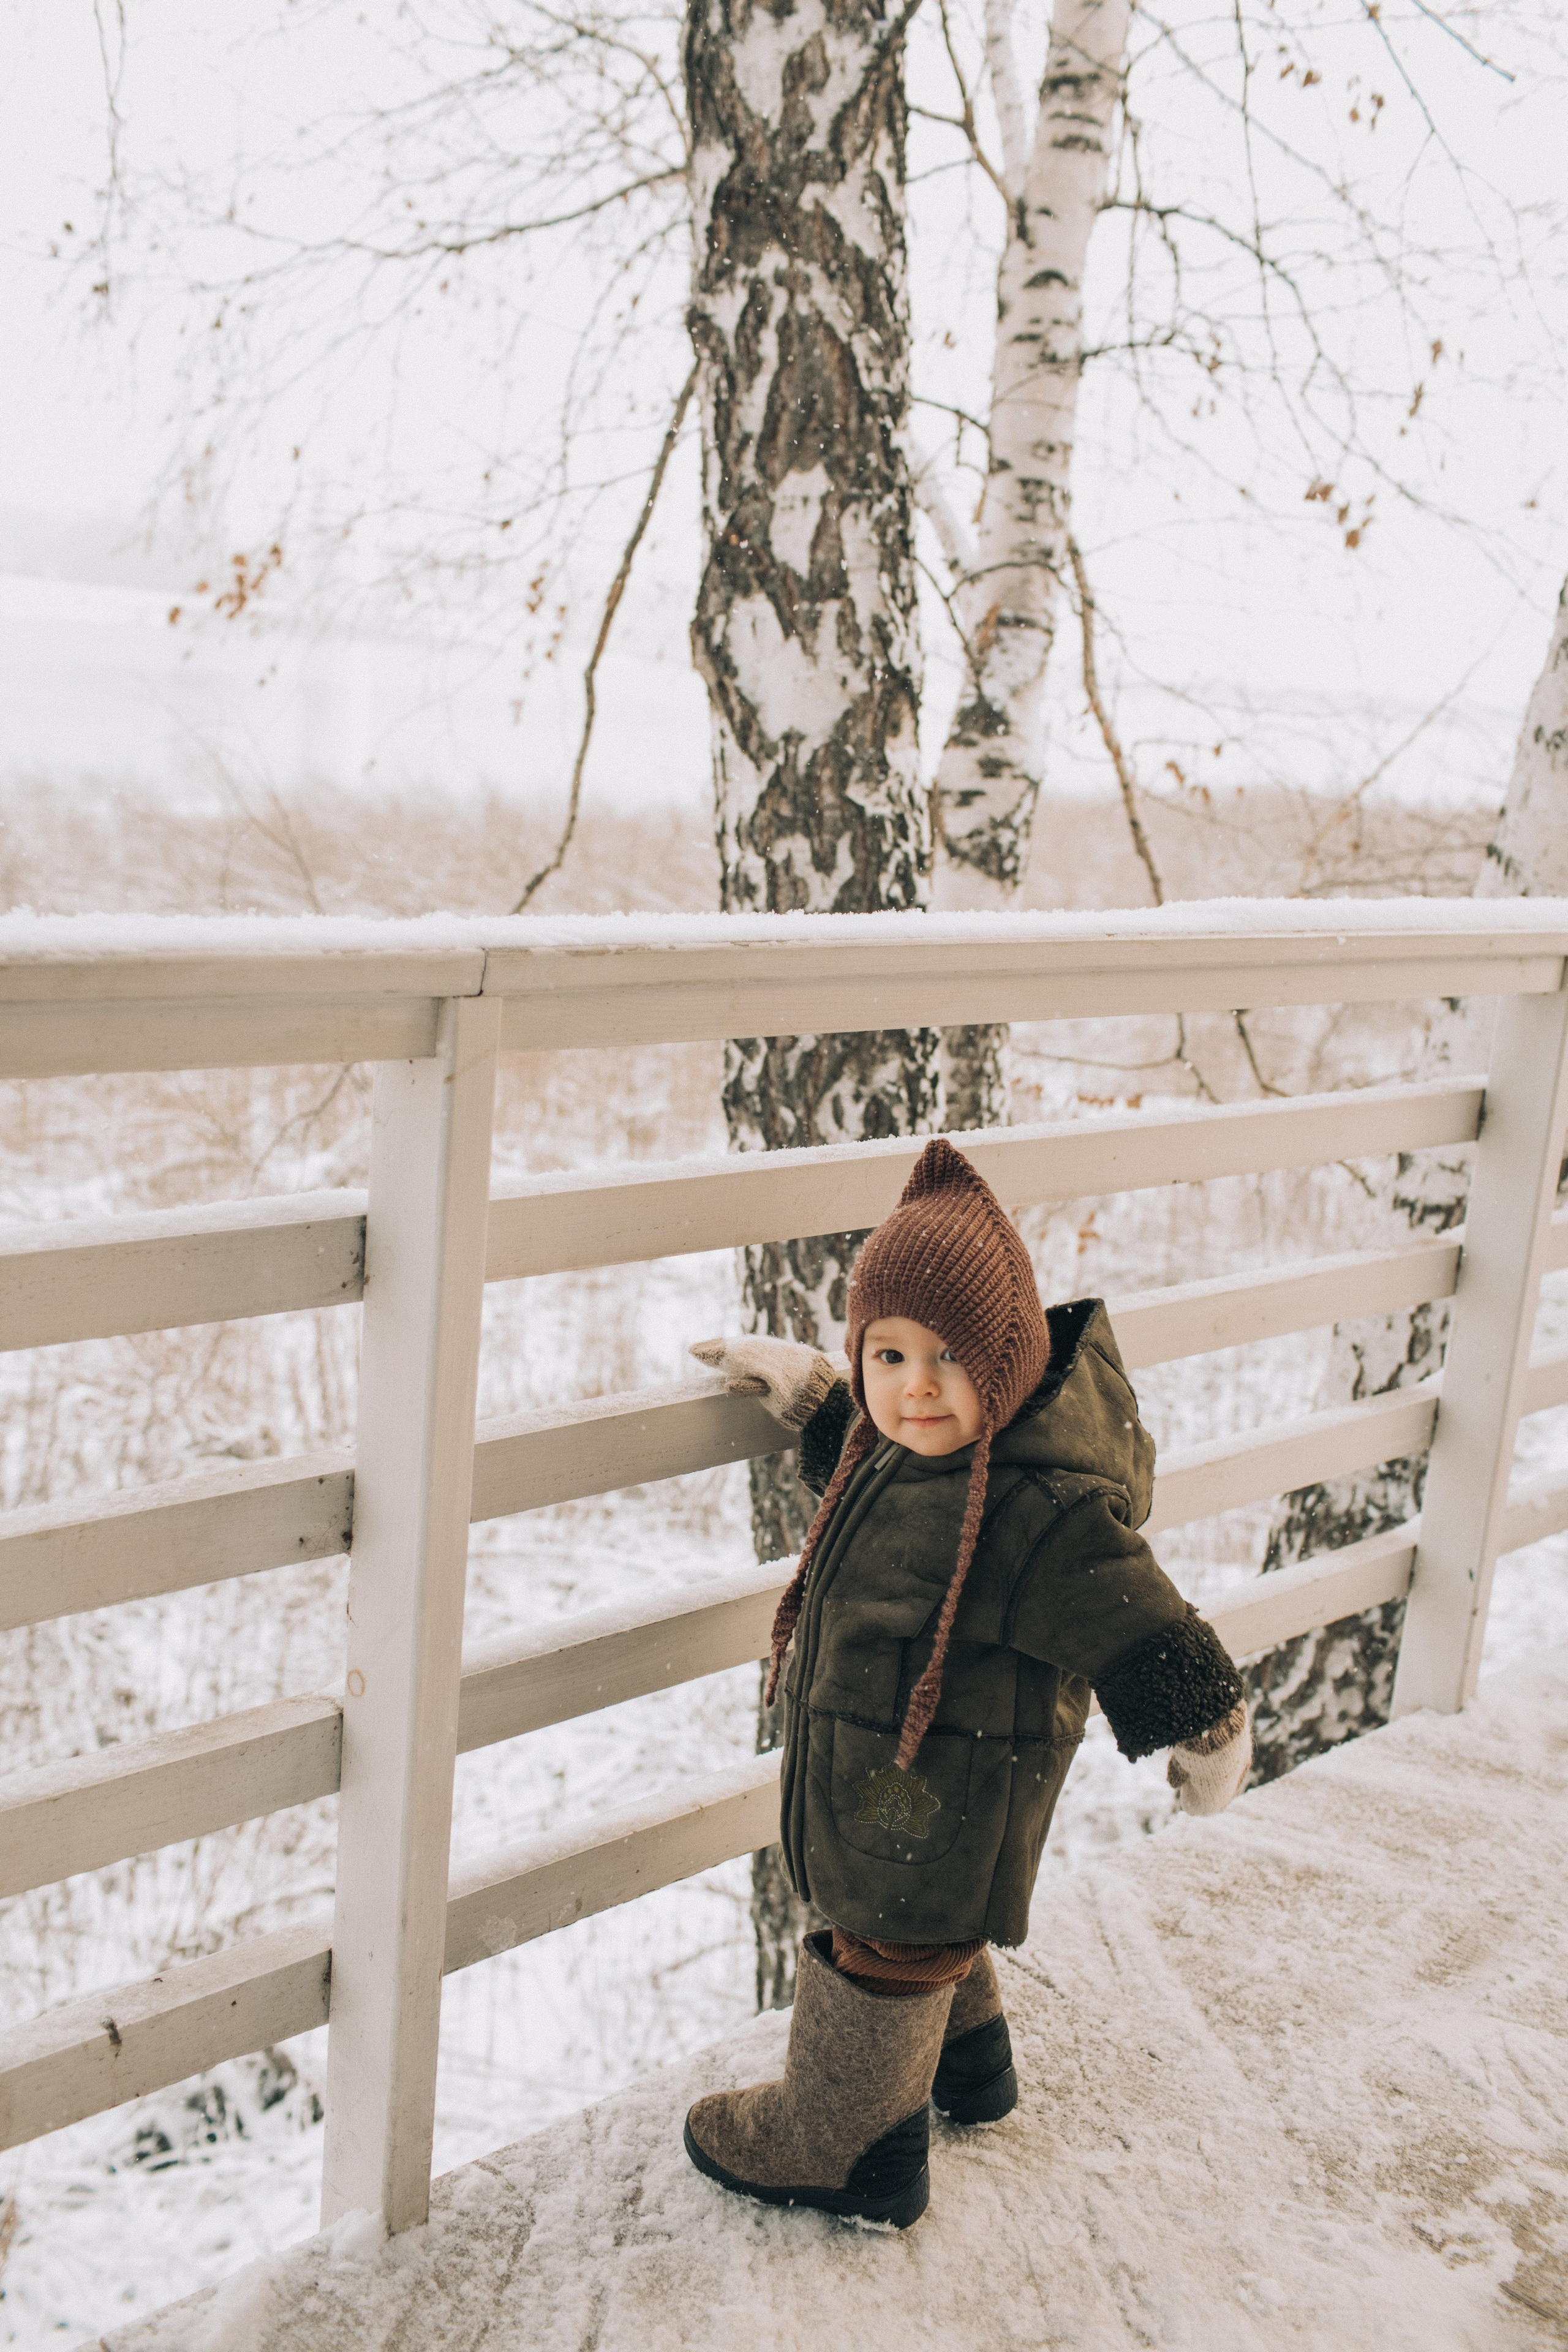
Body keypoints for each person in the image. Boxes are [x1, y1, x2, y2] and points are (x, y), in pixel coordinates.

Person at [681, 1136, 1251, 2230]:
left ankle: (846, 2144)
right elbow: (886, 1470)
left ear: (1009, 1359)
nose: (916, 1387)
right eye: (886, 1355)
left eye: (947, 1357)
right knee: (916, 1913)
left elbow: (1138, 1619)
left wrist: (1206, 1722)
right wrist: (810, 1389)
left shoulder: (1036, 1511)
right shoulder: (929, 1448)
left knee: (890, 1930)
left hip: (938, 1787)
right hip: (911, 1780)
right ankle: (967, 2064)